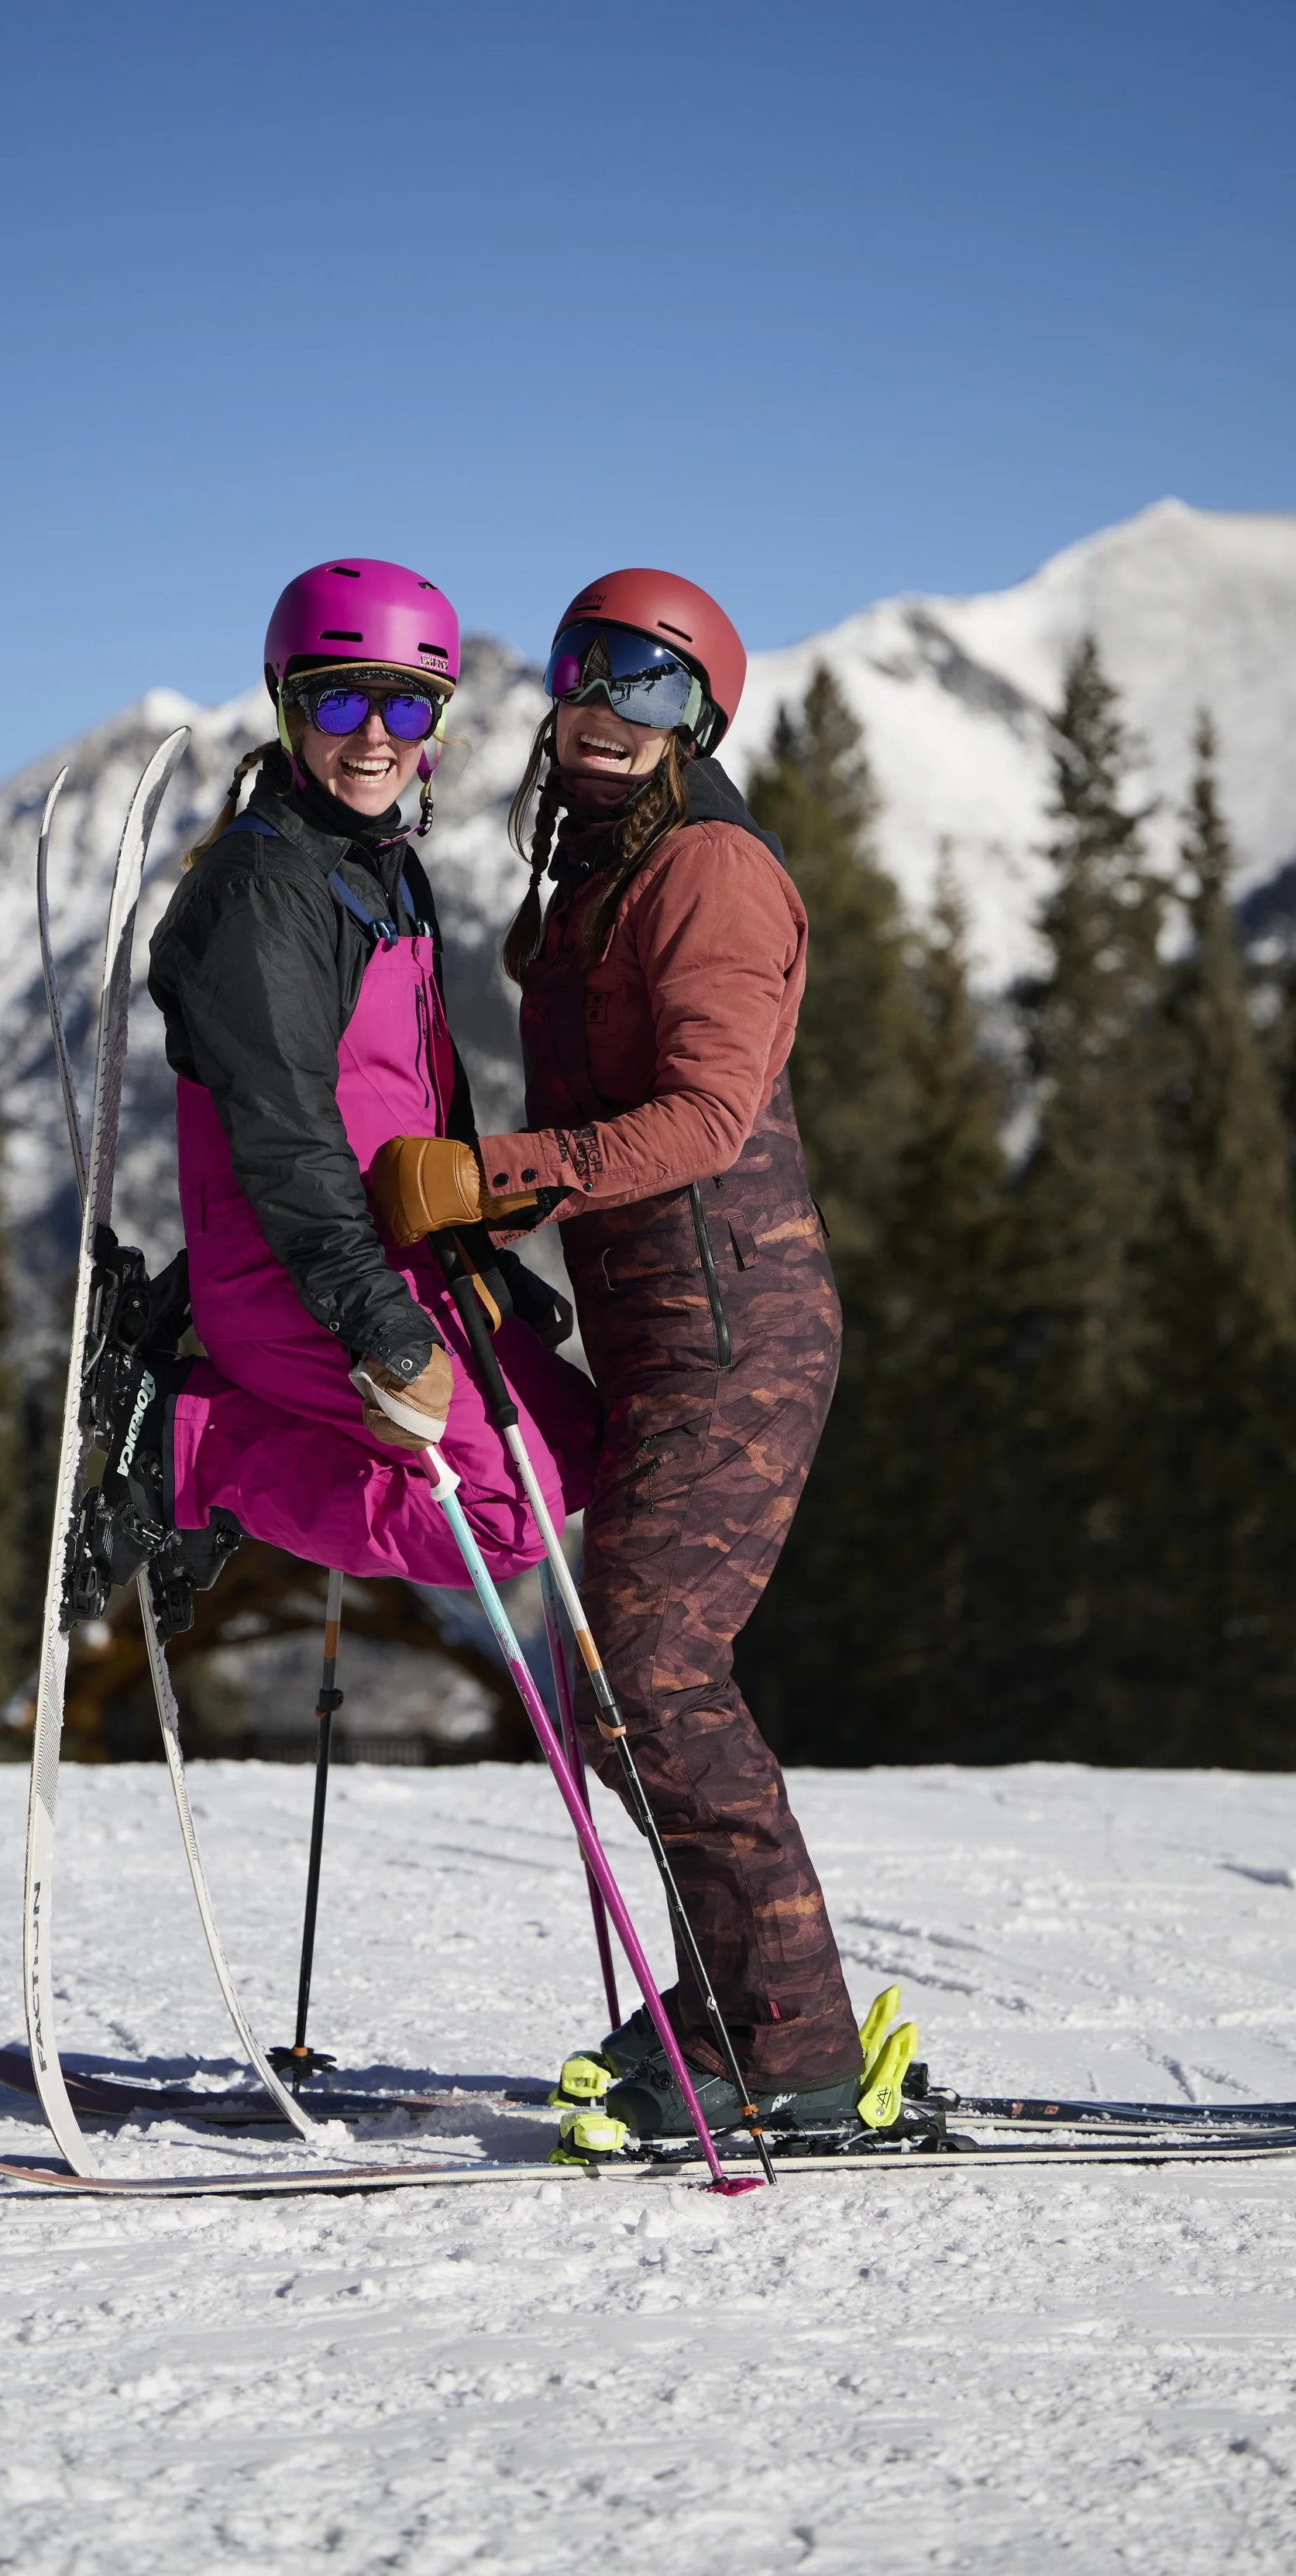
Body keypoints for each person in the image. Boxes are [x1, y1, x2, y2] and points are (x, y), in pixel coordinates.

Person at [371, 568, 864, 2136]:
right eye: (589, 673)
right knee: (616, 1688)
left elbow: (708, 1117)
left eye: (651, 684)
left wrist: (493, 1179)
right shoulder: (592, 871)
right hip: (659, 1322)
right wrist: (485, 1228)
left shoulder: (707, 871)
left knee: (653, 1669)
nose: (605, 707)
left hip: (738, 1333)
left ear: (698, 717)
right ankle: (723, 2021)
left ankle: (787, 2052)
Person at [105, 557, 596, 1603]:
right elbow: (285, 1131)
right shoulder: (261, 892)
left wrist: (484, 1257)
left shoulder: (383, 866)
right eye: (339, 700)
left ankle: (248, 1458)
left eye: (407, 707)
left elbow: (422, 1095)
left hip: (394, 1255)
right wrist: (377, 1323)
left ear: (436, 726)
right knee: (508, 1522)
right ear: (288, 708)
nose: (374, 736)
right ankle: (183, 1448)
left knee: (581, 1438)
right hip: (298, 1275)